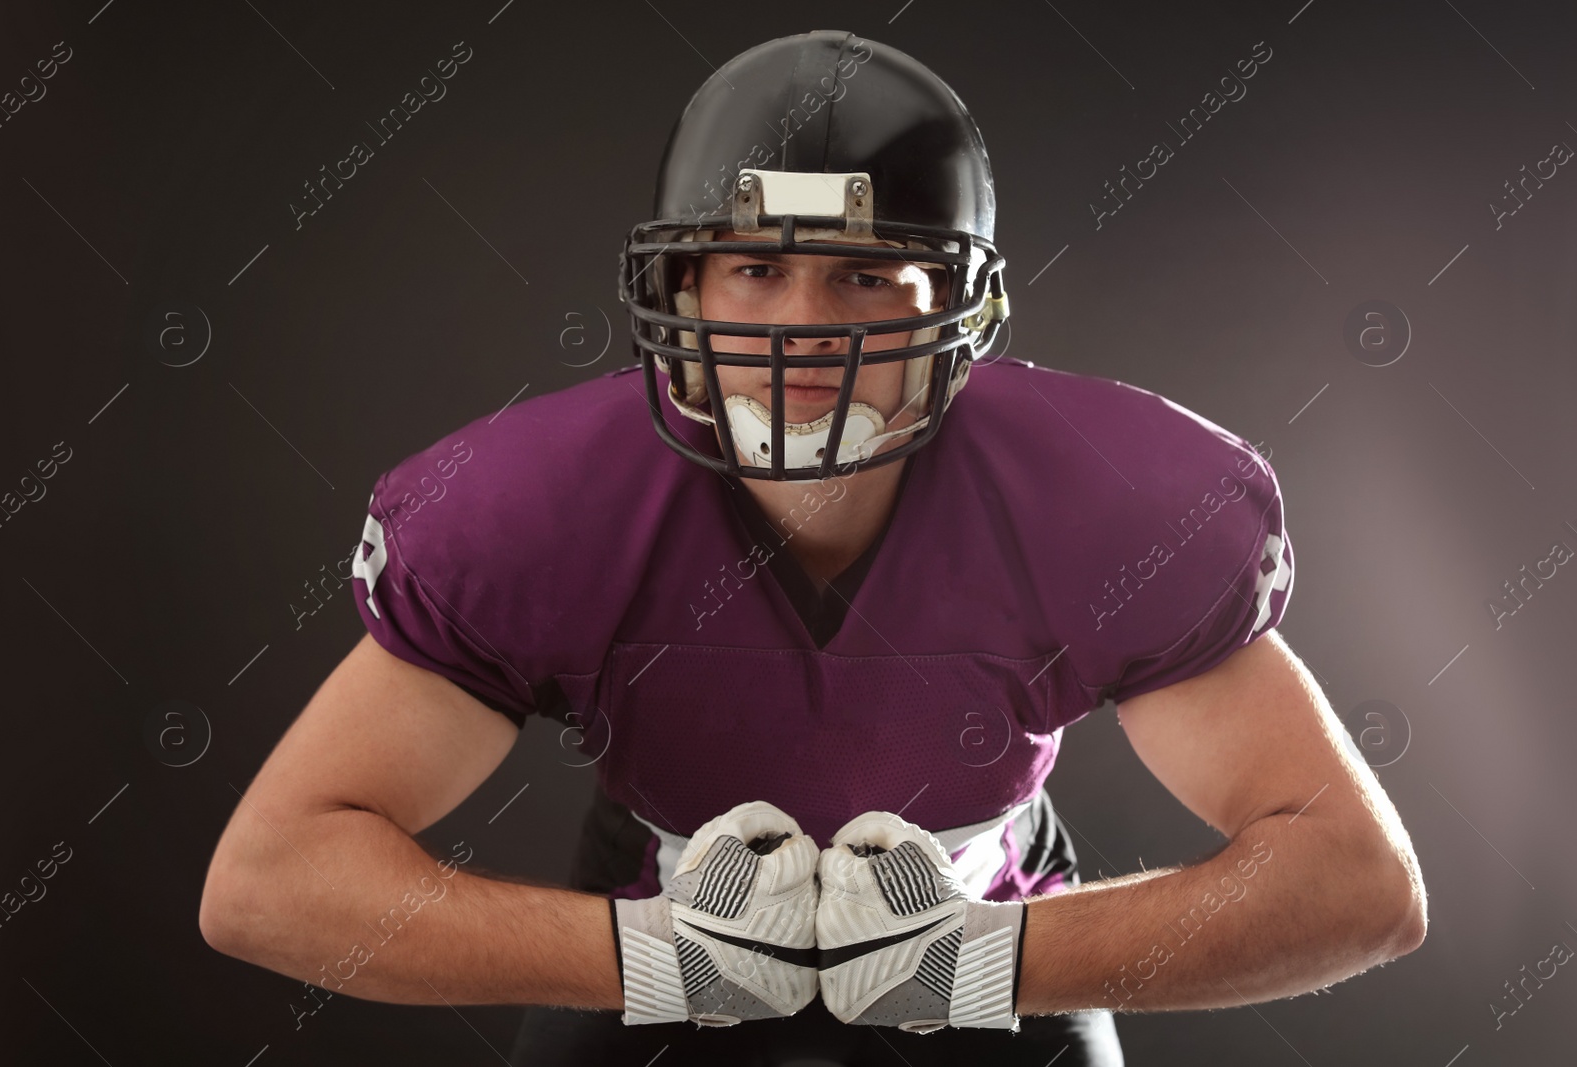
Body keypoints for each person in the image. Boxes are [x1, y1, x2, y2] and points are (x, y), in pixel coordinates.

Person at [199, 29, 1427, 1066]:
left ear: (959, 310)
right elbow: (269, 881)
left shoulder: (1096, 498)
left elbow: (1357, 884)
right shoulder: (541, 508)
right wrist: (652, 960)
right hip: (667, 898)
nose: (803, 332)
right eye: (754, 268)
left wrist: (984, 960)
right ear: (679, 292)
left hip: (980, 899)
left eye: (866, 277)